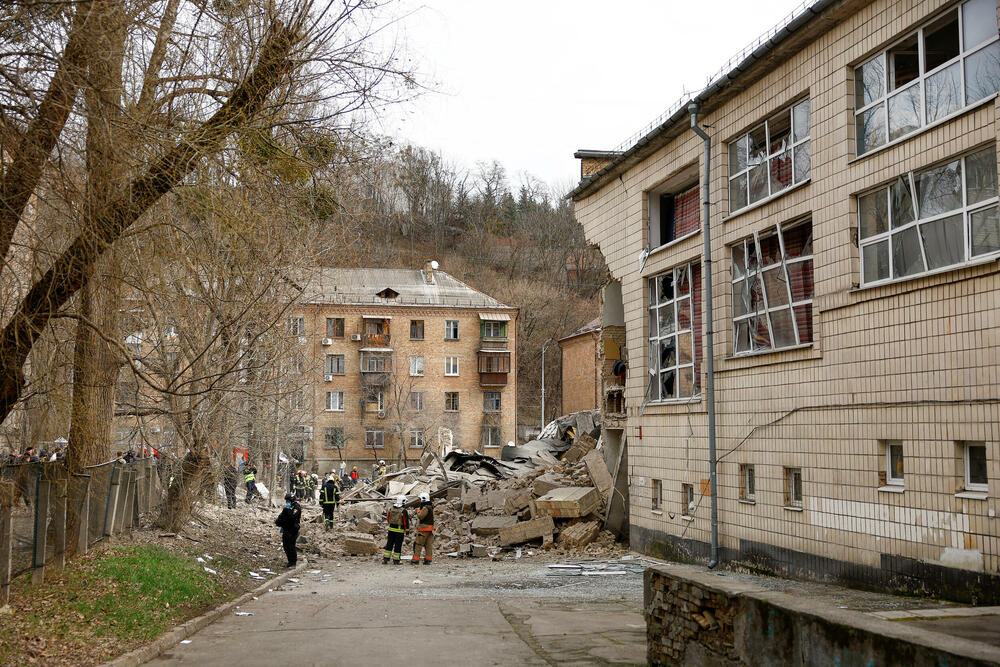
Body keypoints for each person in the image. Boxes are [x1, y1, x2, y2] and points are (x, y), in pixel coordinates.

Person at [274, 492, 302, 568]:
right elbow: (282, 516)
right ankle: (290, 561)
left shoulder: (296, 507)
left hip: (293, 529)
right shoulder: (287, 508)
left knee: (291, 546)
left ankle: (293, 562)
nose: (286, 502)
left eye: (288, 501)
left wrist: (287, 510)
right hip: (286, 528)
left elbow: (292, 516)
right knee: (286, 545)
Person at [383, 495, 409, 565]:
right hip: (399, 531)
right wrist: (407, 530)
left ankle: (385, 559)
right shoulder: (403, 511)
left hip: (391, 530)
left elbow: (388, 519)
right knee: (398, 545)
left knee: (389, 544)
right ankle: (396, 560)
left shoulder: (391, 509)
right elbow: (405, 521)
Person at [411, 492, 434, 566]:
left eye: (420, 499)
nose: (420, 501)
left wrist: (418, 511)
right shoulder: (430, 507)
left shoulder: (425, 508)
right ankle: (428, 560)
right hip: (429, 529)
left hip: (424, 529)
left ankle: (415, 560)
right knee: (428, 545)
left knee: (418, 544)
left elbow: (421, 516)